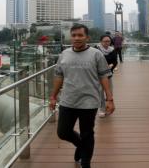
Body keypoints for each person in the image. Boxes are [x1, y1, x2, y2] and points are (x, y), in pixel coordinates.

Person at [49, 24, 115, 168]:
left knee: (87, 134)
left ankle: (86, 163)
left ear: (87, 37)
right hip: (68, 100)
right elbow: (59, 76)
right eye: (74, 35)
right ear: (70, 37)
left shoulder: (96, 54)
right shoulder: (64, 54)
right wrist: (53, 97)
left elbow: (104, 76)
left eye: (80, 35)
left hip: (89, 101)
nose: (77, 38)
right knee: (63, 132)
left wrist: (110, 99)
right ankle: (81, 146)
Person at [94, 34, 118, 118]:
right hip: (98, 74)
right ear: (101, 41)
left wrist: (111, 65)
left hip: (108, 74)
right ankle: (102, 109)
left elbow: (115, 61)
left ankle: (108, 106)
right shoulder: (96, 49)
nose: (107, 43)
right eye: (105, 41)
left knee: (110, 91)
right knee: (100, 92)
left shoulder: (112, 50)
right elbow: (93, 61)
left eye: (108, 41)